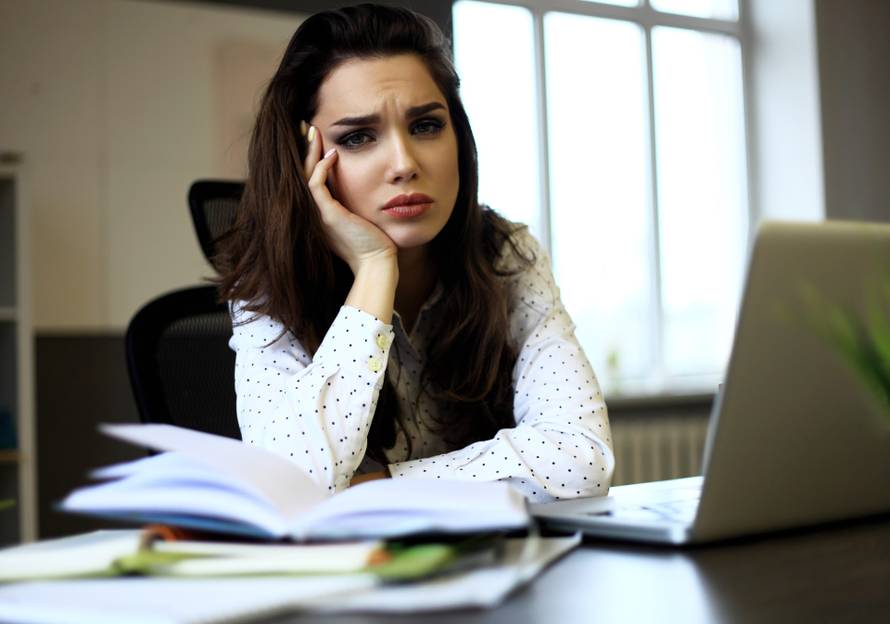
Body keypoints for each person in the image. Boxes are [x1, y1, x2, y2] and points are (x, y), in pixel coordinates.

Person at [216, 3, 614, 502]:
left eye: (425, 125)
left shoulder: (504, 254)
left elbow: (582, 459)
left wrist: (386, 484)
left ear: (457, 137)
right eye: (359, 138)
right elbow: (291, 486)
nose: (403, 164)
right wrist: (375, 271)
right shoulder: (269, 283)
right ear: (308, 158)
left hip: (493, 565)